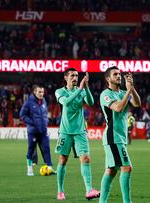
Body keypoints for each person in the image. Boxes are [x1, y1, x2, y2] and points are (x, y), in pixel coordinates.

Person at [54, 68, 100, 200]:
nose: (75, 78)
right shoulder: (60, 92)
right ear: (65, 78)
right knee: (63, 160)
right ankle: (60, 191)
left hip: (80, 131)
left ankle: (89, 190)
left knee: (85, 158)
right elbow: (66, 103)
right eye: (72, 75)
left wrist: (86, 87)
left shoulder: (81, 90)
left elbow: (91, 102)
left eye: (77, 76)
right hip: (65, 132)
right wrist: (80, 89)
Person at [99, 67, 141, 203]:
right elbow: (117, 108)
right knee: (127, 168)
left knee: (112, 170)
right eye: (115, 74)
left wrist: (131, 88)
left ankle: (102, 201)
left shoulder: (123, 92)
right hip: (113, 137)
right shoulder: (106, 94)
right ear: (108, 79)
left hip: (120, 137)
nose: (118, 76)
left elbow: (137, 103)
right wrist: (128, 91)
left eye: (119, 74)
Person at [20, 84, 55, 176]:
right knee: (31, 149)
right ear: (34, 92)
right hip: (33, 131)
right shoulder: (28, 102)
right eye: (39, 92)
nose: (41, 94)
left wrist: (46, 121)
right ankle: (29, 169)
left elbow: (44, 113)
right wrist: (32, 122)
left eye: (42, 92)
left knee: (46, 149)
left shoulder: (43, 101)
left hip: (43, 130)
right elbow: (22, 115)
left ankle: (50, 169)